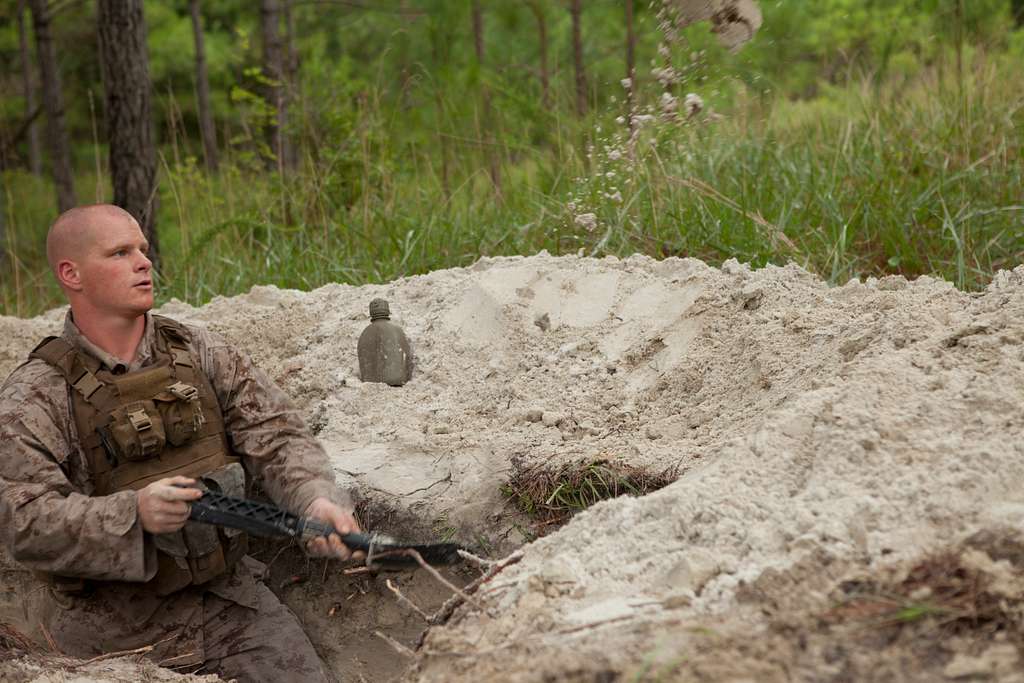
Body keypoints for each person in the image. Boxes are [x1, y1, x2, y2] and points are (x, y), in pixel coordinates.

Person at [0, 204, 361, 682]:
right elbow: (23, 520)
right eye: (120, 252)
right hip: (110, 634)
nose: (144, 262)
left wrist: (315, 498)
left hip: (233, 604)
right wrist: (134, 514)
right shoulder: (35, 394)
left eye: (143, 250)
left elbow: (276, 435)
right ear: (72, 273)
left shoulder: (201, 352)